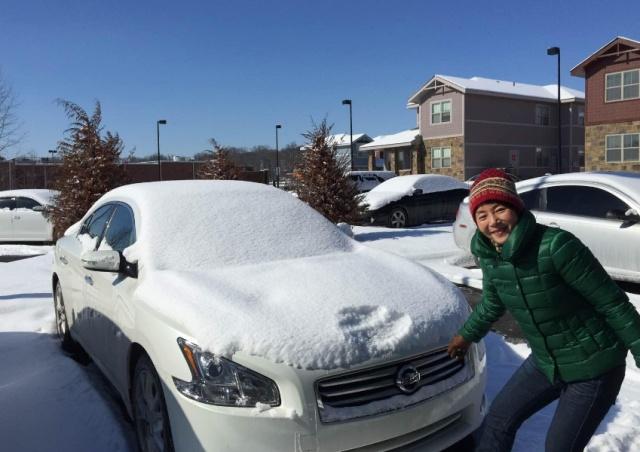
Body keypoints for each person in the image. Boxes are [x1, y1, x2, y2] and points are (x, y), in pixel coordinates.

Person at [447, 168, 640, 452]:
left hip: (594, 367)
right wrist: (465, 336)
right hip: (546, 360)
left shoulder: (556, 246)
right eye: (483, 215)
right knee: (499, 420)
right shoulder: (489, 255)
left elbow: (611, 302)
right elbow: (492, 302)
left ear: (516, 208)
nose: (493, 222)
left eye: (500, 209)